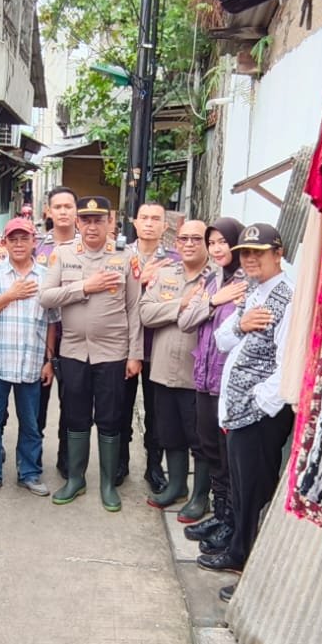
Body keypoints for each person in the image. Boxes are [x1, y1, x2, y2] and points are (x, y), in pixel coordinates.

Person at [197, 223, 295, 602]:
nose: (250, 259)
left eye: (258, 252)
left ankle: (251, 578)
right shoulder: (253, 291)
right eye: (246, 253)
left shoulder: (287, 298)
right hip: (237, 410)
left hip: (260, 415)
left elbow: (288, 364)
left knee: (255, 494)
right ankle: (238, 552)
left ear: (278, 253)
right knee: (241, 489)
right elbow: (223, 341)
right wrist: (240, 322)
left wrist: (257, 404)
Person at [38, 196, 143, 512]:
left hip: (112, 354)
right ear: (78, 223)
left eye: (100, 219)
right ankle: (75, 478)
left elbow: (135, 309)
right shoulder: (63, 255)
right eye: (87, 220)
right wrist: (86, 286)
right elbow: (45, 297)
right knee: (75, 416)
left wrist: (134, 354)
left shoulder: (126, 258)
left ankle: (109, 484)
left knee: (111, 419)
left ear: (110, 222)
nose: (93, 226)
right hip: (73, 352)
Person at [0, 217, 54, 498]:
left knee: (31, 425)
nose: (19, 244)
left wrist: (49, 359)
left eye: (24, 238)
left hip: (31, 364)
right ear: (4, 243)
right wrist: (10, 295)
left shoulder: (46, 276)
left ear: (34, 242)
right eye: (13, 239)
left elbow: (53, 320)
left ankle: (29, 473)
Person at [138, 219, 215, 510]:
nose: (190, 244)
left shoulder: (218, 279)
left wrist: (168, 310)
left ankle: (200, 497)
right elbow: (146, 313)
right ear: (176, 243)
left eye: (197, 238)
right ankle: (176, 486)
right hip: (162, 372)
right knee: (170, 434)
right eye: (184, 239)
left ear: (207, 242)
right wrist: (181, 305)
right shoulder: (165, 274)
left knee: (200, 439)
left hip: (196, 376)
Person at [180, 218, 248, 548]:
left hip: (230, 385)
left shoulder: (248, 283)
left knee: (228, 455)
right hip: (204, 381)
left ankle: (232, 524)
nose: (218, 248)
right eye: (213, 242)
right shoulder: (211, 281)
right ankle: (220, 516)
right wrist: (213, 301)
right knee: (209, 449)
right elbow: (185, 320)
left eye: (224, 241)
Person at [124, 201, 182, 493]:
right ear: (134, 223)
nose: (148, 223)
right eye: (143, 218)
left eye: (155, 219)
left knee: (157, 413)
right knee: (119, 410)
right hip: (123, 347)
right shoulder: (119, 256)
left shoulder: (175, 260)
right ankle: (119, 462)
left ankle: (153, 466)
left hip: (159, 346)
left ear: (165, 226)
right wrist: (139, 281)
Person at [36, 187, 79, 479]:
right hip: (40, 336)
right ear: (48, 211)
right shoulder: (36, 247)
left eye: (68, 206)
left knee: (72, 402)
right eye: (58, 207)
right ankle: (32, 458)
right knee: (36, 403)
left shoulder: (87, 247)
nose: (63, 212)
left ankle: (67, 460)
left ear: (76, 211)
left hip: (75, 335)